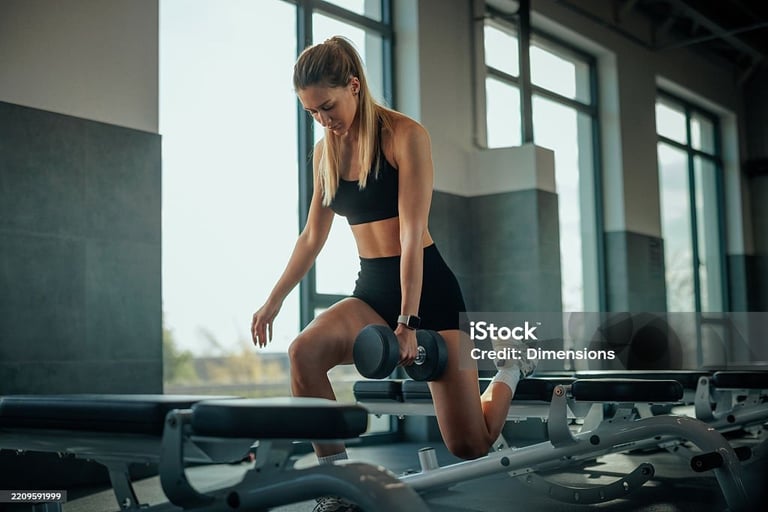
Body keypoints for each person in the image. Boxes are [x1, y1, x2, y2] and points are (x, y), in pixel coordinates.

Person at [251, 36, 536, 512]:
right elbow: (311, 238)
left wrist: (409, 319)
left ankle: (509, 367)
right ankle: (337, 487)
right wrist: (275, 298)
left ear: (354, 87)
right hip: (371, 292)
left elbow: (411, 235)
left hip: (431, 295)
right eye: (311, 113)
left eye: (327, 106)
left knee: (471, 444)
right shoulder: (327, 154)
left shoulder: (406, 135)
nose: (322, 120)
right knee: (304, 351)